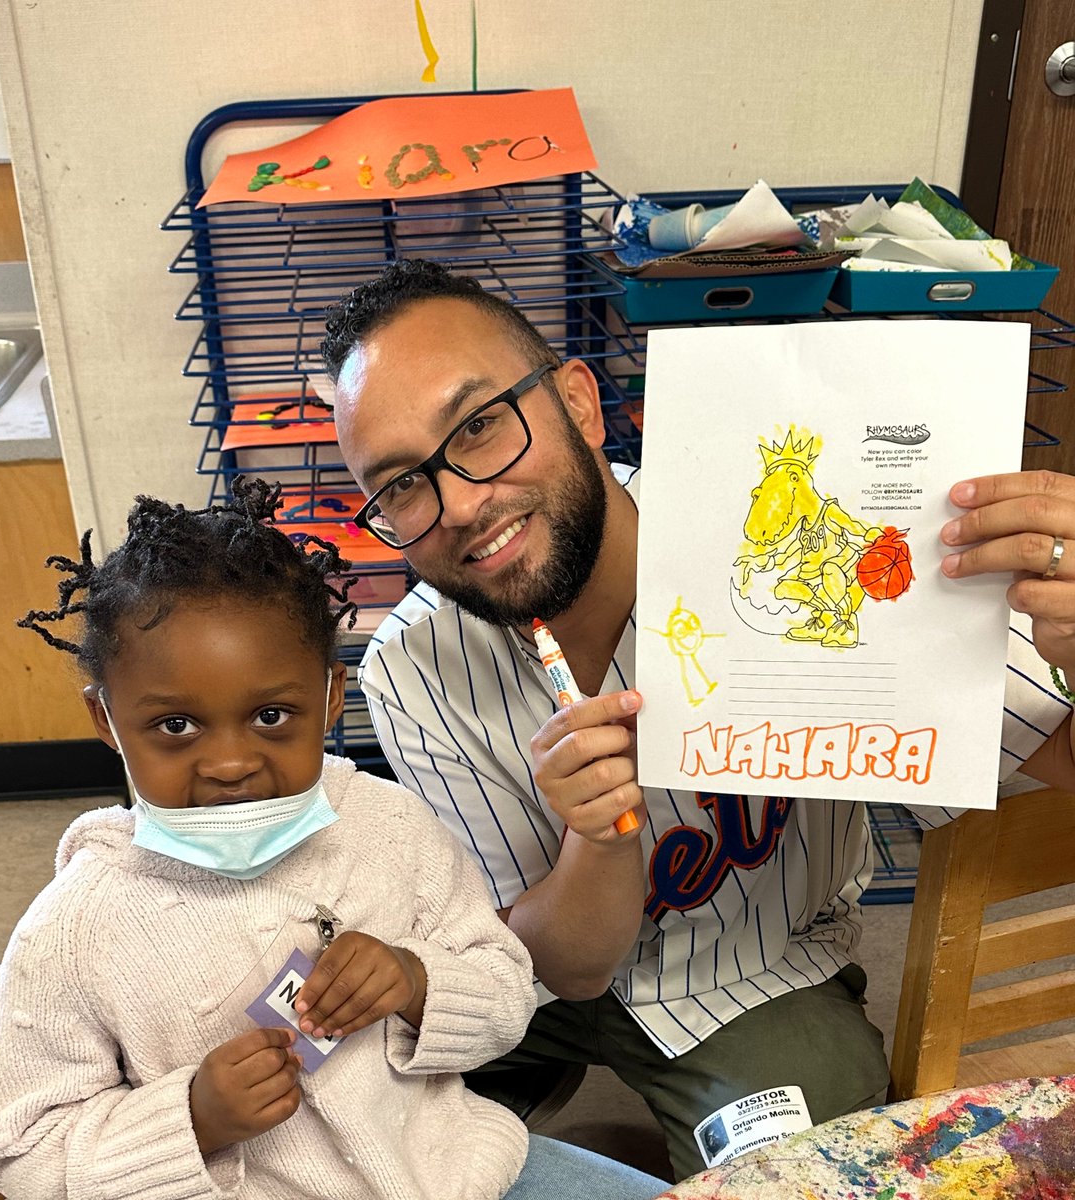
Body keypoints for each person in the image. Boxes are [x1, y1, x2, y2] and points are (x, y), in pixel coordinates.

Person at [322, 259, 1075, 1180]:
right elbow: (554, 965)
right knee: (321, 1119)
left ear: (579, 405)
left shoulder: (780, 548)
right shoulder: (413, 662)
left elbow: (1056, 747)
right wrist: (595, 840)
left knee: (806, 1178)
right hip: (524, 976)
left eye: (480, 426)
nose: (462, 504)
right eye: (400, 484)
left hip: (754, 972)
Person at [0, 479, 671, 1200]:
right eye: (176, 726)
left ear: (332, 696)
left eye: (272, 715)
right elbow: (20, 1155)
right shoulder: (73, 931)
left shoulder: (391, 831)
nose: (231, 763)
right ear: (107, 721)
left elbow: (505, 998)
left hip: (461, 1173)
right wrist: (191, 1119)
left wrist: (414, 979)